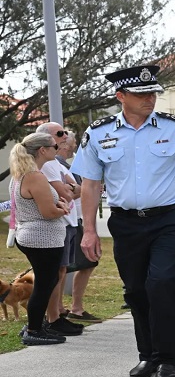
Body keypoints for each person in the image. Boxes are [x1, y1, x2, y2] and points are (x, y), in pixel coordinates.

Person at [71, 65, 175, 377]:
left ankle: (167, 359)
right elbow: (90, 184)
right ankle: (147, 355)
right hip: (126, 224)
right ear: (121, 96)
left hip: (169, 220)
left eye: (153, 93)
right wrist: (89, 230)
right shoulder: (98, 133)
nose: (150, 99)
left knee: (162, 282)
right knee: (136, 290)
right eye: (142, 94)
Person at [8, 133, 71, 345]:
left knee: (47, 281)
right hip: (41, 238)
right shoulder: (35, 176)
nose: (58, 149)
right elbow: (48, 212)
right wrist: (63, 208)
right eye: (55, 146)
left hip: (34, 236)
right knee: (45, 283)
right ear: (42, 150)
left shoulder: (21, 174)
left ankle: (35, 324)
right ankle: (34, 330)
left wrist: (57, 206)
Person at [36, 122, 84, 337]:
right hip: (58, 224)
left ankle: (57, 314)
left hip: (69, 222)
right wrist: (70, 189)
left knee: (62, 270)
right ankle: (52, 318)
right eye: (60, 133)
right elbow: (67, 194)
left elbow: (78, 189)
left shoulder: (57, 163)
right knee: (54, 273)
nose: (65, 136)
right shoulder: (46, 164)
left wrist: (71, 188)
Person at [57, 133, 102, 323]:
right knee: (66, 267)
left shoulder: (69, 165)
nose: (75, 146)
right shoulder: (56, 165)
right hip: (68, 221)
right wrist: (86, 190)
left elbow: (77, 189)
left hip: (77, 220)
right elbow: (65, 193)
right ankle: (65, 309)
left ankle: (71, 308)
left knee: (85, 263)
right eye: (74, 143)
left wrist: (86, 189)